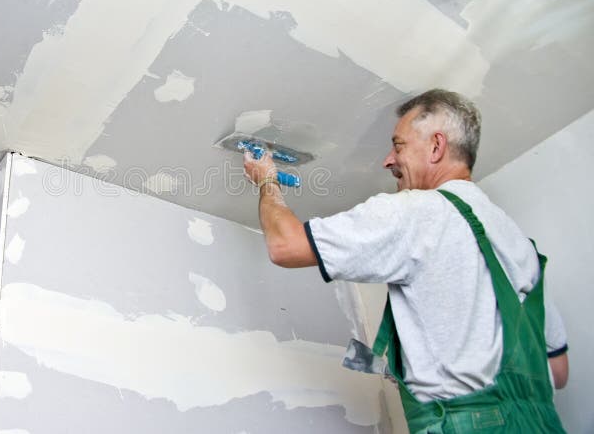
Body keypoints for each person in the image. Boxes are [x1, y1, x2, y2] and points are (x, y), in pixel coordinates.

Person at [243, 89, 568, 433]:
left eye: (398, 146)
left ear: (436, 146)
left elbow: (285, 246)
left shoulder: (419, 211)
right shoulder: (520, 246)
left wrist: (267, 180)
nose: (387, 160)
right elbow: (558, 373)